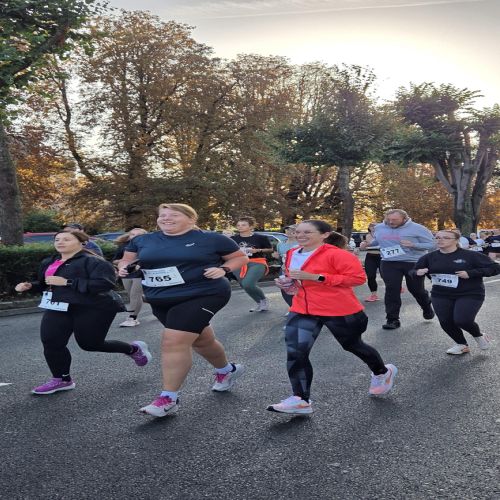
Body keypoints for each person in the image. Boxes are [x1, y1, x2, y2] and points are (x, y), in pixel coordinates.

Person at [118, 203, 249, 417]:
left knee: (173, 341)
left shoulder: (212, 238)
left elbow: (240, 257)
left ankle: (168, 398)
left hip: (203, 293)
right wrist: (124, 268)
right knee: (202, 341)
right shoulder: (143, 240)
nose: (166, 218)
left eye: (174, 215)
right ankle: (227, 371)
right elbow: (126, 260)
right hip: (161, 297)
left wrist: (223, 269)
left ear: (191, 219)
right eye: (163, 215)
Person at [268, 220, 397, 415]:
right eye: (298, 231)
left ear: (325, 235)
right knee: (296, 352)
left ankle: (382, 372)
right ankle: (301, 400)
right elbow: (297, 281)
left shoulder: (337, 254)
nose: (300, 235)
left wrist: (317, 277)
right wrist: (288, 284)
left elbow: (357, 278)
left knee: (353, 345)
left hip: (339, 309)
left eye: (307, 232)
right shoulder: (293, 253)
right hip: (303, 309)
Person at [15, 231, 151, 395]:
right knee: (51, 342)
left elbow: (105, 284)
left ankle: (133, 349)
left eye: (66, 239)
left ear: (82, 242)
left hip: (93, 307)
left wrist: (68, 282)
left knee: (90, 344)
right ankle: (62, 379)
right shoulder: (49, 261)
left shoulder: (94, 261)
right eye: (57, 239)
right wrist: (31, 286)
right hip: (59, 306)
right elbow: (47, 283)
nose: (60, 242)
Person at [414, 229, 500, 355]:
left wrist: (471, 273)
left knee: (463, 320)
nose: (440, 240)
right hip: (441, 294)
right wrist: (417, 272)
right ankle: (461, 344)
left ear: (456, 240)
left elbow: (495, 267)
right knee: (445, 321)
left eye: (445, 238)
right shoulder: (428, 257)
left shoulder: (470, 255)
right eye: (437, 237)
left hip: (470, 293)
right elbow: (413, 271)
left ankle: (478, 335)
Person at [372, 209, 435, 330]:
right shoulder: (379, 227)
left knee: (416, 289)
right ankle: (392, 319)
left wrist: (414, 245)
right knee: (392, 290)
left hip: (413, 262)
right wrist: (368, 243)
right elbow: (378, 240)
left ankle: (426, 306)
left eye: (394, 220)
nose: (391, 222)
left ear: (404, 219)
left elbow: (432, 244)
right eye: (388, 219)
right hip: (389, 262)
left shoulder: (418, 228)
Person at [231, 216, 273, 312]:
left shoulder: (260, 237)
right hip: (239, 263)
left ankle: (264, 300)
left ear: (250, 226)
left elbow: (270, 249)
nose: (240, 227)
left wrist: (258, 250)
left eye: (243, 225)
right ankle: (260, 302)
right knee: (244, 285)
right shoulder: (233, 238)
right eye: (238, 225)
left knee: (248, 283)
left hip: (257, 262)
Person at [113, 228, 148, 327]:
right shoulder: (124, 246)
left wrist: (139, 262)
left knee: (134, 295)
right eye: (132, 234)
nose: (135, 236)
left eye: (138, 235)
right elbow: (115, 260)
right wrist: (124, 263)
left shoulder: (148, 246)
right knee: (134, 295)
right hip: (127, 273)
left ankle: (132, 318)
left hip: (141, 273)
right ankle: (151, 300)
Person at [273, 224, 299, 308]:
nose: (289, 232)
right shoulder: (280, 244)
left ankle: (299, 308)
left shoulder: (300, 243)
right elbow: (279, 256)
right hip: (284, 269)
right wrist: (276, 256)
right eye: (287, 230)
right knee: (285, 287)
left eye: (292, 230)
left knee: (298, 288)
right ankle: (292, 307)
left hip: (297, 269)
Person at [359, 223, 382, 302]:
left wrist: (369, 244)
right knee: (370, 276)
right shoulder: (366, 236)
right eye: (371, 226)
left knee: (385, 276)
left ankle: (396, 288)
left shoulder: (382, 235)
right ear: (369, 227)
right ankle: (374, 295)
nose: (373, 227)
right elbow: (362, 248)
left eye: (375, 226)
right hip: (370, 256)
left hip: (381, 257)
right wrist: (363, 246)